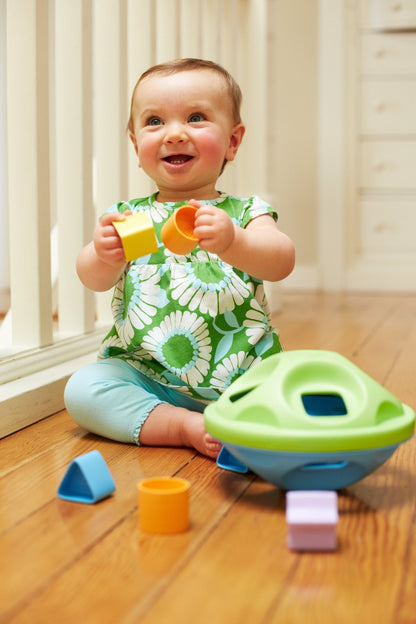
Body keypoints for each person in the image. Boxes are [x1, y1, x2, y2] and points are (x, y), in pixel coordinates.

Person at [64, 58, 295, 459]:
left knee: (295, 391)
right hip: (146, 374)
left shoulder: (244, 213)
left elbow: (281, 261)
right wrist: (102, 253)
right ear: (137, 147)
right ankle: (181, 425)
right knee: (83, 390)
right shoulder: (129, 218)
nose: (174, 134)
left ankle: (236, 415)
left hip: (243, 374)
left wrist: (234, 243)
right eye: (154, 122)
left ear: (232, 142)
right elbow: (93, 279)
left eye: (195, 117)